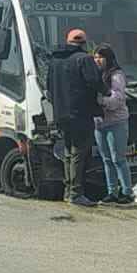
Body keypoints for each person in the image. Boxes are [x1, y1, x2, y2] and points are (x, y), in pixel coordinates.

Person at [48, 27, 105, 207]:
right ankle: (76, 193)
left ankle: (68, 191)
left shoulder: (55, 60)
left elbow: (49, 86)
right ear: (84, 43)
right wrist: (108, 91)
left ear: (68, 41)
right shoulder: (84, 59)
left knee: (68, 152)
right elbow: (95, 82)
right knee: (79, 153)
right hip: (81, 113)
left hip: (61, 114)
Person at [93, 45, 132, 205]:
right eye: (95, 57)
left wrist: (101, 101)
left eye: (100, 57)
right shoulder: (95, 75)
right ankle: (112, 192)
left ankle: (127, 192)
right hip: (99, 123)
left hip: (116, 122)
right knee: (106, 159)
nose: (97, 60)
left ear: (108, 58)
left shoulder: (116, 75)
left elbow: (117, 99)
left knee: (118, 158)